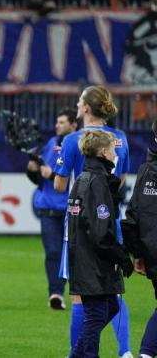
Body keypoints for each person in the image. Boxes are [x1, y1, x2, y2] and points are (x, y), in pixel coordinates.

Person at [54, 85, 133, 358]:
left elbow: (60, 184)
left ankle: (76, 353)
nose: (77, 106)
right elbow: (120, 182)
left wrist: (49, 169)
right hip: (110, 221)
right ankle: (126, 352)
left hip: (79, 226)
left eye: (79, 102)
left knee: (81, 295)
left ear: (86, 108)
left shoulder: (74, 139)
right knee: (114, 292)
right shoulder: (120, 138)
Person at [67, 129, 134, 357]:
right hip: (93, 263)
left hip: (83, 258)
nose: (116, 154)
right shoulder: (97, 184)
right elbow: (100, 233)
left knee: (111, 307)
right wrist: (122, 257)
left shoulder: (82, 179)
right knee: (96, 316)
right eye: (114, 149)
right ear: (104, 152)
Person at [26, 108, 77, 310]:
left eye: (62, 122)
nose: (57, 125)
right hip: (49, 209)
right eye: (57, 121)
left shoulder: (80, 144)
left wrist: (50, 174)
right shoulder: (51, 144)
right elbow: (40, 180)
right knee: (53, 253)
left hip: (71, 210)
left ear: (74, 124)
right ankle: (56, 293)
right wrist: (31, 171)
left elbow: (73, 176)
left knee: (74, 254)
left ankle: (78, 293)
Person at [122, 120, 157, 358]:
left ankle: (147, 352)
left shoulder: (145, 170)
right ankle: (146, 352)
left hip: (151, 252)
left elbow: (133, 214)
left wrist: (138, 253)